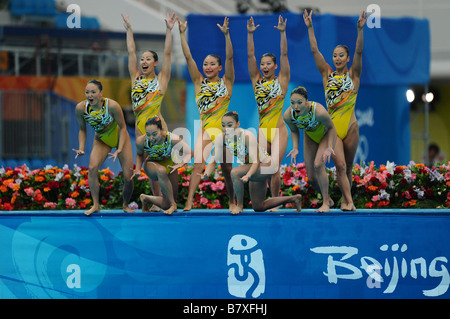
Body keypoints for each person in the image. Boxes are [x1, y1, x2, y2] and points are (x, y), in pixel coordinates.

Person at [303, 9, 367, 211]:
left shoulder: (353, 75)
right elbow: (315, 51)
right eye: (335, 56)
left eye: (341, 56)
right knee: (339, 166)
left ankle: (345, 200)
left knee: (348, 167)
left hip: (351, 127)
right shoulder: (327, 75)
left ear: (347, 58)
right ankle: (348, 201)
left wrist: (359, 30)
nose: (337, 59)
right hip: (334, 130)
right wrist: (310, 27)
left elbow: (359, 52)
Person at [177, 16, 235, 211]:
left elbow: (230, 58)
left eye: (212, 64)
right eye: (205, 64)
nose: (207, 67)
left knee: (227, 170)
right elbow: (188, 57)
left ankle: (233, 200)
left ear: (219, 67)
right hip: (206, 130)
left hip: (224, 132)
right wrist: (182, 34)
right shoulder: (198, 83)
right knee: (196, 166)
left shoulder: (226, 83)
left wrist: (226, 36)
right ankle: (188, 201)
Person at [122, 12, 176, 209]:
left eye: (148, 59)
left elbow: (168, 53)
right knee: (150, 167)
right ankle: (155, 199)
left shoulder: (160, 80)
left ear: (155, 63)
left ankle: (165, 199)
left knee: (164, 165)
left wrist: (169, 30)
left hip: (159, 129)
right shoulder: (135, 78)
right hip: (140, 131)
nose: (143, 62)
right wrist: (129, 30)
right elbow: (130, 51)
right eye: (142, 59)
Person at [201, 111, 302, 215]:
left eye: (230, 125)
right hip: (254, 169)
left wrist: (248, 175)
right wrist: (206, 174)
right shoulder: (221, 138)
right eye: (223, 125)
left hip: (266, 166)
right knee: (259, 206)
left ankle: (239, 206)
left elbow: (255, 162)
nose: (226, 128)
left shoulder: (247, 136)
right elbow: (213, 162)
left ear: (237, 124)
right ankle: (294, 198)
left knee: (235, 172)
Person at [73, 80, 135, 216]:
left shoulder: (112, 106)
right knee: (92, 168)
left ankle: (125, 205)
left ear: (101, 93)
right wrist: (81, 148)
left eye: (93, 92)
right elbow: (82, 129)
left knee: (128, 176)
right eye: (87, 92)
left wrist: (119, 149)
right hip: (102, 139)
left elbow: (124, 128)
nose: (90, 95)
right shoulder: (81, 108)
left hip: (119, 137)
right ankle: (95, 205)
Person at [247, 15, 290, 208]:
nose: (264, 66)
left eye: (268, 64)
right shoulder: (257, 81)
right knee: (264, 169)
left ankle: (276, 202)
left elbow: (284, 56)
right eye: (262, 64)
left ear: (275, 66)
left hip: (279, 130)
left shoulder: (281, 81)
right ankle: (265, 201)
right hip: (263, 131)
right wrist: (250, 34)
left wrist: (282, 33)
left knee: (274, 169)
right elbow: (250, 56)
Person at [283, 86, 339, 212]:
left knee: (318, 165)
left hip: (325, 134)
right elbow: (294, 131)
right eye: (292, 103)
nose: (296, 106)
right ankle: (329, 199)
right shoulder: (288, 115)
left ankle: (325, 203)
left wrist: (329, 147)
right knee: (312, 178)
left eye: (299, 102)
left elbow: (331, 128)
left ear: (306, 102)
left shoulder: (318, 111)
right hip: (310, 135)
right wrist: (296, 148)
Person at [132, 116, 192, 215]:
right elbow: (139, 154)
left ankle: (146, 198)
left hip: (169, 164)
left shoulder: (172, 139)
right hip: (151, 164)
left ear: (162, 130)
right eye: (148, 134)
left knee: (165, 204)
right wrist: (138, 169)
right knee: (161, 170)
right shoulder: (141, 141)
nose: (151, 138)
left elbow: (189, 152)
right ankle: (173, 205)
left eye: (154, 134)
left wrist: (180, 164)